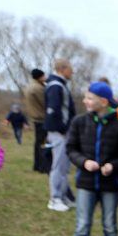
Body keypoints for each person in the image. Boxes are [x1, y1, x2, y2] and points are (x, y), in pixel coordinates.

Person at [64, 82, 118, 236]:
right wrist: (84, 162)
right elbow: (71, 149)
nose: (85, 101)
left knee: (110, 226)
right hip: (85, 183)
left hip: (110, 186)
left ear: (103, 102)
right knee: (82, 226)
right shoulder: (79, 122)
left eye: (89, 98)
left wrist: (113, 166)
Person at [44, 58, 77, 212]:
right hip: (59, 132)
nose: (73, 71)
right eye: (70, 68)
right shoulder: (55, 86)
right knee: (58, 166)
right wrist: (63, 129)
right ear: (62, 69)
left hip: (64, 132)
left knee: (64, 166)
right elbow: (53, 111)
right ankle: (55, 198)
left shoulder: (61, 85)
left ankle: (63, 196)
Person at [24, 68, 51, 173]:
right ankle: (43, 166)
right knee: (43, 143)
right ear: (40, 76)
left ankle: (37, 165)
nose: (45, 78)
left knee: (38, 143)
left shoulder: (29, 87)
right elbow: (46, 102)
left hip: (35, 118)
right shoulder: (39, 89)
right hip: (42, 118)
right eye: (44, 76)